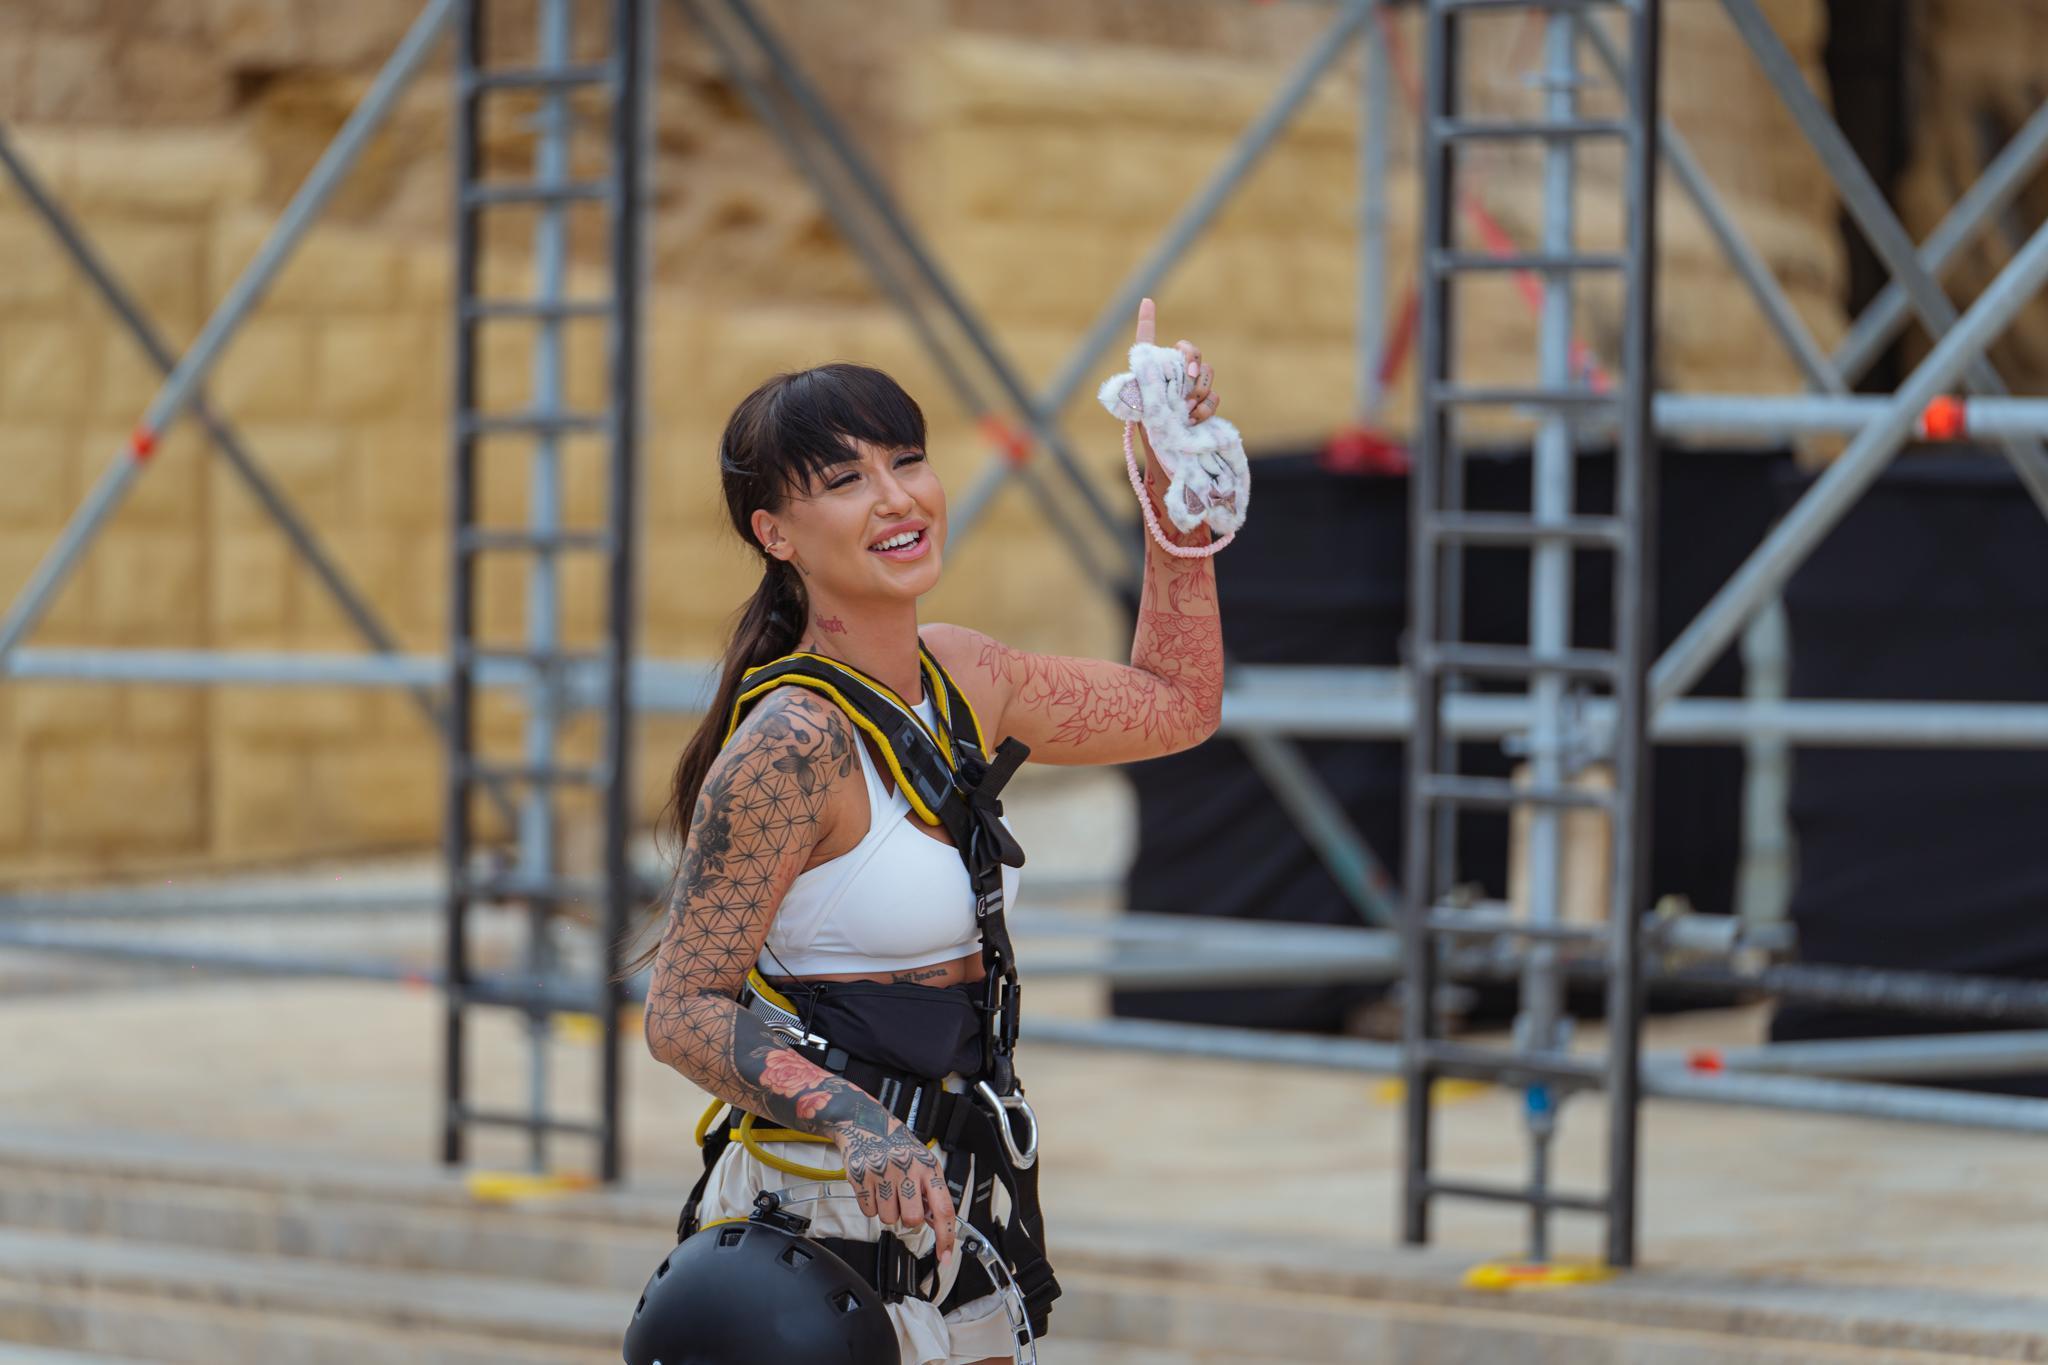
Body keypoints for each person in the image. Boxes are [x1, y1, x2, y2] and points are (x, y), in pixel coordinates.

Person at [637, 298, 1227, 1365]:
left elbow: (1176, 705)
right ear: (774, 534)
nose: (896, 497)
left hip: (958, 1194)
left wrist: (1170, 494)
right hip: (816, 1212)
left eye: (906, 460)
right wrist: (854, 1118)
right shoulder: (788, 747)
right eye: (844, 480)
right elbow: (681, 1009)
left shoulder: (966, 676)